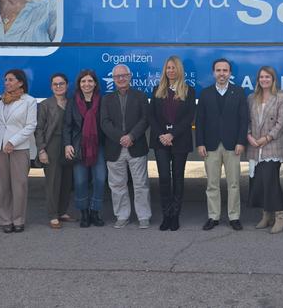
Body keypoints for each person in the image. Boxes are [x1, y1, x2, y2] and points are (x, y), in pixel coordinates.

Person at [196, 58, 248, 231]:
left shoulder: (239, 92)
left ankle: (234, 217)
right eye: (218, 70)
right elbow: (200, 121)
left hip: (233, 145)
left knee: (233, 183)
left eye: (225, 70)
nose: (222, 74)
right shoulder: (205, 93)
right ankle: (213, 216)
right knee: (212, 183)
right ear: (213, 73)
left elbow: (243, 120)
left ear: (230, 73)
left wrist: (241, 141)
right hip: (210, 145)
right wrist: (200, 143)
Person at [101, 64, 151, 229]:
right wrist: (120, 138)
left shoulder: (141, 96)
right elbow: (104, 122)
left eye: (124, 75)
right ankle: (122, 216)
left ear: (130, 77)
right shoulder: (106, 99)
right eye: (117, 76)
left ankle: (144, 216)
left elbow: (145, 120)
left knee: (141, 184)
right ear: (113, 79)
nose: (121, 79)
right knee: (117, 185)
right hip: (115, 147)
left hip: (136, 146)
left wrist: (131, 136)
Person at [0, 68, 37, 233]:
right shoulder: (0, 100)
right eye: (6, 79)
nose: (6, 83)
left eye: (10, 79)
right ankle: (5, 220)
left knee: (19, 185)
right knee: (1, 186)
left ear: (20, 82)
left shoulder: (29, 101)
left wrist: (12, 142)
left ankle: (18, 220)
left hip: (18, 147)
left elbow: (31, 126)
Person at [149, 56, 196, 231]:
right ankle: (166, 215)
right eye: (168, 68)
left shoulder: (189, 91)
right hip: (160, 140)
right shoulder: (157, 89)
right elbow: (151, 116)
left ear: (179, 70)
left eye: (174, 68)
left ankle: (175, 215)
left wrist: (172, 134)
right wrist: (162, 134)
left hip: (179, 139)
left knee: (177, 178)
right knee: (164, 178)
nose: (171, 71)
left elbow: (189, 117)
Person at [246, 66, 283, 234]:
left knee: (271, 182)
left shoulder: (281, 97)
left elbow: (281, 123)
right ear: (258, 80)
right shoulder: (251, 98)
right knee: (260, 182)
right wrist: (249, 136)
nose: (264, 79)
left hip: (272, 146)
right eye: (261, 77)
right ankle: (266, 215)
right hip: (255, 146)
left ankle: (280, 218)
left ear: (273, 79)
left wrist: (267, 138)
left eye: (267, 77)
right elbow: (247, 120)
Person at [63, 69, 106, 228]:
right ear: (79, 84)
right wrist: (67, 144)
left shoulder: (102, 100)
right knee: (80, 181)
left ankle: (95, 211)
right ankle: (84, 213)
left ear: (95, 83)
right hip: (78, 147)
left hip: (98, 146)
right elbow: (67, 125)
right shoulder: (72, 101)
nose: (86, 84)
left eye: (89, 81)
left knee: (100, 179)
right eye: (83, 81)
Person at [34, 73, 74, 229]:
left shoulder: (71, 103)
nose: (59, 86)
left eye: (61, 83)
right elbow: (39, 129)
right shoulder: (45, 105)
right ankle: (53, 215)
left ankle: (62, 211)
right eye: (55, 84)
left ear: (67, 85)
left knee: (67, 180)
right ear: (51, 87)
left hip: (68, 145)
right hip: (52, 145)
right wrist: (41, 150)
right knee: (53, 181)